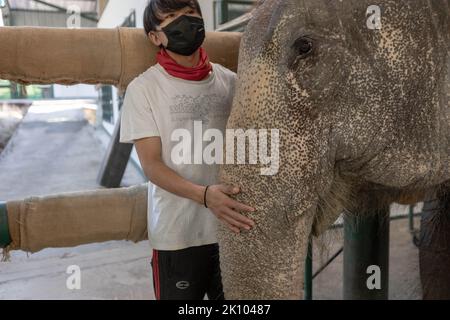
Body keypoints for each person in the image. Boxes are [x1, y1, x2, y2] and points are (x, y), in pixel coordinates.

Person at [119, 0, 255, 300]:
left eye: (190, 14)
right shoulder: (144, 90)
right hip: (177, 237)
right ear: (155, 37)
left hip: (232, 229)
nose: (183, 21)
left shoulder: (230, 83)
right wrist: (206, 196)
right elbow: (152, 166)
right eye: (170, 18)